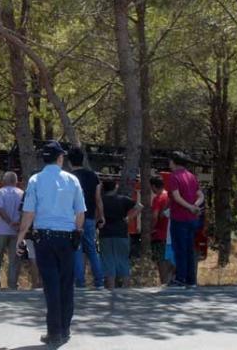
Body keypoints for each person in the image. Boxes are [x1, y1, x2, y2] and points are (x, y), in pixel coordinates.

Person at [16, 140, 86, 348]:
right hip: (67, 238)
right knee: (66, 284)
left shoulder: (35, 180)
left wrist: (21, 236)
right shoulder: (72, 180)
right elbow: (80, 212)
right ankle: (64, 329)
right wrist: (77, 232)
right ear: (60, 158)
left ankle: (53, 331)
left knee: (51, 285)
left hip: (44, 238)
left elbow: (29, 212)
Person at [68, 147, 104, 289]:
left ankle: (80, 282)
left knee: (76, 248)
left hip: (74, 217)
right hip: (89, 217)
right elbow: (98, 198)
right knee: (92, 249)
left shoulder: (69, 177)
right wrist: (101, 216)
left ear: (69, 161)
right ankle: (99, 281)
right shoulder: (93, 176)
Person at [167, 151, 204, 288]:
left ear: (174, 162)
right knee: (189, 248)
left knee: (180, 248)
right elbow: (200, 195)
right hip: (192, 218)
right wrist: (195, 206)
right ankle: (191, 280)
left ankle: (180, 278)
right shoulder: (191, 176)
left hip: (179, 217)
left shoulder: (173, 177)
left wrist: (189, 207)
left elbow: (176, 197)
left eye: (170, 161)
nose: (169, 163)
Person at [99, 180, 142, 289]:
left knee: (108, 259)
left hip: (105, 232)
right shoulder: (123, 199)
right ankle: (126, 286)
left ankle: (111, 287)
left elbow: (97, 215)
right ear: (115, 187)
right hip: (121, 232)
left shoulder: (101, 201)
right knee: (123, 259)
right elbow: (139, 206)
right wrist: (129, 217)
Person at [0, 171, 23, 290]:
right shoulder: (21, 193)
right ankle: (13, 284)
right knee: (14, 259)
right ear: (16, 181)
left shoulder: (0, 192)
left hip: (0, 230)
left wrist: (9, 222)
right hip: (17, 231)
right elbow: (25, 211)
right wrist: (18, 224)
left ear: (4, 181)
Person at [150, 176, 174, 285]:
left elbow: (155, 216)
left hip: (159, 234)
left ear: (154, 186)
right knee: (169, 259)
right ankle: (170, 280)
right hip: (170, 233)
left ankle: (164, 282)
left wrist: (151, 229)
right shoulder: (169, 196)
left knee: (161, 260)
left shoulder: (158, 198)